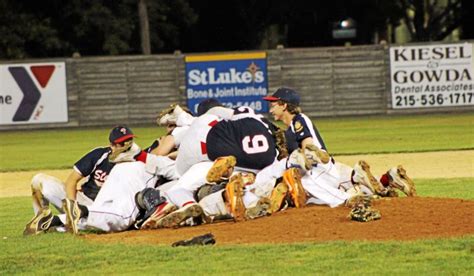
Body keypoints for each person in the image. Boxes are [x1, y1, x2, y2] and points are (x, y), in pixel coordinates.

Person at [262, 87, 415, 202]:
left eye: (273, 104)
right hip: (329, 168)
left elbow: (309, 148)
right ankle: (388, 179)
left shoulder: (299, 120)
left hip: (318, 169)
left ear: (284, 105)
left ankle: (349, 199)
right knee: (358, 185)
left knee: (312, 195)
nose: (271, 108)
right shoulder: (291, 127)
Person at [23, 126, 140, 235]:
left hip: (105, 209)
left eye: (129, 141)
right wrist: (72, 208)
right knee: (38, 180)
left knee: (101, 222)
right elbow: (71, 181)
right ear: (112, 145)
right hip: (82, 200)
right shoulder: (99, 155)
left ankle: (58, 223)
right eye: (123, 143)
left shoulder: (135, 162)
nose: (127, 145)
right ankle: (41, 218)